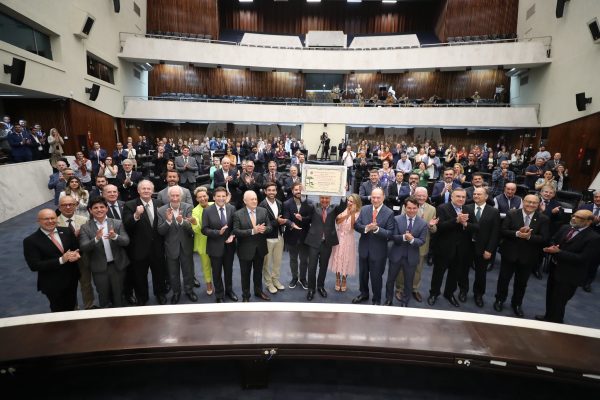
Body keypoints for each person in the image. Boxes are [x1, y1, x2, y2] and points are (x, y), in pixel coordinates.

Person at [536, 210, 600, 323]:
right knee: (550, 296)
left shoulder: (593, 237)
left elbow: (583, 258)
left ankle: (556, 322)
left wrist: (558, 252)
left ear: (589, 222)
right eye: (574, 215)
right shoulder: (565, 227)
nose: (574, 218)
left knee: (560, 300)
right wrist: (552, 246)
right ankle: (548, 316)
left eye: (579, 217)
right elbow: (553, 240)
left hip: (570, 274)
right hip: (555, 268)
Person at [493, 195, 549, 317]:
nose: (531, 204)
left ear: (538, 204)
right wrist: (517, 234)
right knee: (504, 279)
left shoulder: (543, 219)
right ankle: (499, 300)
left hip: (528, 257)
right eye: (528, 202)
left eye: (534, 203)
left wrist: (529, 237)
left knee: (521, 283)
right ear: (523, 202)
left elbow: (544, 238)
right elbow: (503, 231)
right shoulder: (512, 214)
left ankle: (517, 304)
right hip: (509, 253)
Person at [427, 188, 478, 308]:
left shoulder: (468, 209)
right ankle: (434, 293)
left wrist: (466, 224)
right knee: (438, 273)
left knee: (454, 274)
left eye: (463, 197)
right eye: (458, 196)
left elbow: (477, 227)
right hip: (444, 248)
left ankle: (449, 294)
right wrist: (456, 220)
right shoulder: (442, 208)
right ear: (452, 197)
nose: (461, 199)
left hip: (461, 250)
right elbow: (440, 227)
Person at [23, 209, 81, 312]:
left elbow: (77, 249)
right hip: (52, 283)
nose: (50, 221)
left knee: (71, 305)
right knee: (58, 310)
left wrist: (76, 255)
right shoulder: (30, 241)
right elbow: (34, 265)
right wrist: (61, 260)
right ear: (38, 221)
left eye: (52, 218)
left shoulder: (67, 231)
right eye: (46, 219)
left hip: (71, 278)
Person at [122, 180, 168, 306]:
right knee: (139, 276)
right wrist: (136, 215)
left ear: (152, 191)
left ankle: (160, 294)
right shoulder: (130, 205)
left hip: (157, 248)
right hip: (139, 249)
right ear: (138, 191)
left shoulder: (159, 203)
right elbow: (126, 225)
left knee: (159, 273)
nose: (146, 191)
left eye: (149, 188)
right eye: (144, 189)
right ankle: (142, 297)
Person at [79, 196, 130, 308]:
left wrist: (115, 236)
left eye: (102, 207)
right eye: (95, 207)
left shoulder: (117, 223)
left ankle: (120, 318)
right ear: (90, 210)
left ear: (107, 208)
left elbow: (126, 241)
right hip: (99, 268)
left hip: (117, 266)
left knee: (119, 294)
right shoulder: (85, 227)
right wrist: (96, 239)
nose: (99, 210)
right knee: (103, 296)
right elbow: (84, 247)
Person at [395, 187, 438, 303]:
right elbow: (401, 222)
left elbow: (433, 230)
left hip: (421, 245)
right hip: (405, 244)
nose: (421, 198)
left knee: (418, 269)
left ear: (427, 196)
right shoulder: (406, 206)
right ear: (414, 194)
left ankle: (414, 289)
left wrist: (431, 225)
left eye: (424, 195)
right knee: (402, 269)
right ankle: (399, 289)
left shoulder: (432, 209)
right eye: (418, 195)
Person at [353, 188, 395, 305]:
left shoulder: (389, 213)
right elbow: (356, 225)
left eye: (378, 197)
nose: (375, 200)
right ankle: (364, 294)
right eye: (373, 197)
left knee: (376, 277)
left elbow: (390, 233)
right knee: (363, 275)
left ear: (383, 198)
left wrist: (377, 229)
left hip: (379, 252)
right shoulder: (365, 209)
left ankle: (376, 299)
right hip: (364, 249)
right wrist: (366, 228)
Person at [157, 185, 198, 304]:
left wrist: (182, 222)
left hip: (186, 246)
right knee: (173, 273)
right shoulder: (161, 210)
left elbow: (192, 229)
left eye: (177, 195)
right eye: (172, 196)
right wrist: (169, 221)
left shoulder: (188, 207)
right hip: (170, 247)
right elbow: (160, 231)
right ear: (168, 197)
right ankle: (176, 292)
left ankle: (189, 291)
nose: (175, 198)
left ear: (181, 196)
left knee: (188, 271)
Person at [462, 187, 500, 307]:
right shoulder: (466, 208)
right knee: (463, 271)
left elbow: (495, 233)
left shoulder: (493, 212)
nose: (476, 196)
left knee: (481, 273)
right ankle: (463, 291)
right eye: (474, 194)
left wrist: (490, 250)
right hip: (467, 246)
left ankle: (478, 295)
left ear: (486, 196)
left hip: (483, 248)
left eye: (479, 194)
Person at [385, 197, 427, 307]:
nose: (411, 210)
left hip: (411, 257)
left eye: (414, 208)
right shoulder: (397, 219)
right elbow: (393, 236)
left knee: (409, 282)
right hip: (396, 255)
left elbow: (422, 241)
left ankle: (405, 302)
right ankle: (388, 299)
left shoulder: (423, 223)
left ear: (418, 208)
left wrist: (412, 240)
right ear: (405, 207)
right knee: (390, 280)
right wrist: (404, 237)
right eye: (409, 208)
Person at [304, 195, 346, 300]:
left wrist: (343, 193)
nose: (324, 200)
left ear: (330, 199)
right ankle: (311, 289)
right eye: (322, 198)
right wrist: (304, 195)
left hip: (327, 243)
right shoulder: (314, 206)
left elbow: (342, 207)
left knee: (323, 267)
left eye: (327, 198)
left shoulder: (334, 208)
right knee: (312, 267)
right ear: (319, 198)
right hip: (314, 242)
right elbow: (305, 206)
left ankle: (320, 286)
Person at [233, 190, 272, 302]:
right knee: (245, 274)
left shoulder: (263, 211)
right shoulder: (238, 214)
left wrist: (264, 229)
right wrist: (252, 231)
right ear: (245, 201)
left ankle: (258, 291)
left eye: (255, 199)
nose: (255, 201)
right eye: (252, 199)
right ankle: (246, 295)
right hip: (245, 250)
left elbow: (270, 227)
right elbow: (236, 231)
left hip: (260, 249)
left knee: (258, 272)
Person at [56, 195, 95, 309]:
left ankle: (89, 306)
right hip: (65, 259)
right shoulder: (54, 222)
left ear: (76, 205)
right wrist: (72, 236)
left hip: (83, 257)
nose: (68, 207)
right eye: (64, 205)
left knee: (86, 284)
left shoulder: (84, 220)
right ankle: (73, 308)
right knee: (68, 286)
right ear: (59, 207)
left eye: (71, 204)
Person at [201, 186, 238, 303]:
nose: (221, 198)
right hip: (214, 247)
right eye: (218, 196)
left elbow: (235, 227)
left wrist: (232, 235)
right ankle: (219, 294)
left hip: (229, 246)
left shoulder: (232, 208)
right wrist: (218, 232)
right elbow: (204, 229)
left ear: (226, 197)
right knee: (216, 272)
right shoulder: (207, 211)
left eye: (223, 196)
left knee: (229, 270)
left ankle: (229, 290)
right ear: (213, 197)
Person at [329, 193, 361, 292]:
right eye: (349, 200)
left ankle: (344, 279)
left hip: (349, 238)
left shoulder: (358, 213)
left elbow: (353, 226)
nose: (349, 203)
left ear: (356, 203)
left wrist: (352, 213)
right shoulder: (343, 208)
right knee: (337, 258)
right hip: (339, 237)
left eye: (352, 201)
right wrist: (347, 213)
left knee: (346, 259)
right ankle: (338, 279)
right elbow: (337, 221)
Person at [259, 182, 286, 294]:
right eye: (269, 190)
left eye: (273, 190)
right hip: (267, 238)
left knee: (277, 261)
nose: (271, 192)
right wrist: (277, 222)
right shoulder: (262, 205)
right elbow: (263, 224)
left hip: (279, 236)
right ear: (265, 191)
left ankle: (275, 280)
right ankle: (269, 283)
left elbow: (282, 218)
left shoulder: (279, 203)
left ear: (276, 191)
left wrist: (282, 222)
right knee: (267, 263)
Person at [283, 182, 311, 289]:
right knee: (293, 259)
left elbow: (310, 218)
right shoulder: (286, 204)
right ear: (292, 191)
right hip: (292, 236)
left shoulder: (309, 203)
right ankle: (294, 278)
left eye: (300, 189)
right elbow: (286, 218)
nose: (298, 191)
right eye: (296, 190)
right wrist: (292, 224)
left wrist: (302, 219)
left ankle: (303, 279)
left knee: (304, 260)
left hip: (305, 236)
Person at [191, 187, 213, 294]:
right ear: (196, 199)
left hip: (217, 241)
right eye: (200, 197)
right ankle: (209, 284)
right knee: (206, 265)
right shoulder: (195, 211)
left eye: (204, 196)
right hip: (203, 242)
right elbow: (197, 230)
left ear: (208, 196)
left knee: (218, 265)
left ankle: (219, 284)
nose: (203, 198)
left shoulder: (215, 204)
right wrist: (195, 223)